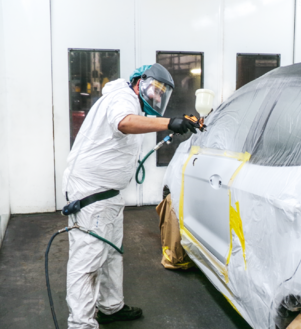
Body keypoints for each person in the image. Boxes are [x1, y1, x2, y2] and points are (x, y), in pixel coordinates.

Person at [62, 64, 201, 328]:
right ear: (139, 82)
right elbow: (124, 123)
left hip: (109, 194)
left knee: (112, 252)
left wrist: (172, 122)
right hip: (90, 193)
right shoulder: (123, 97)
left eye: (162, 93)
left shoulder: (132, 104)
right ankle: (80, 324)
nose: (157, 97)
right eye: (155, 89)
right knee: (88, 260)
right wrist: (170, 122)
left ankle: (111, 306)